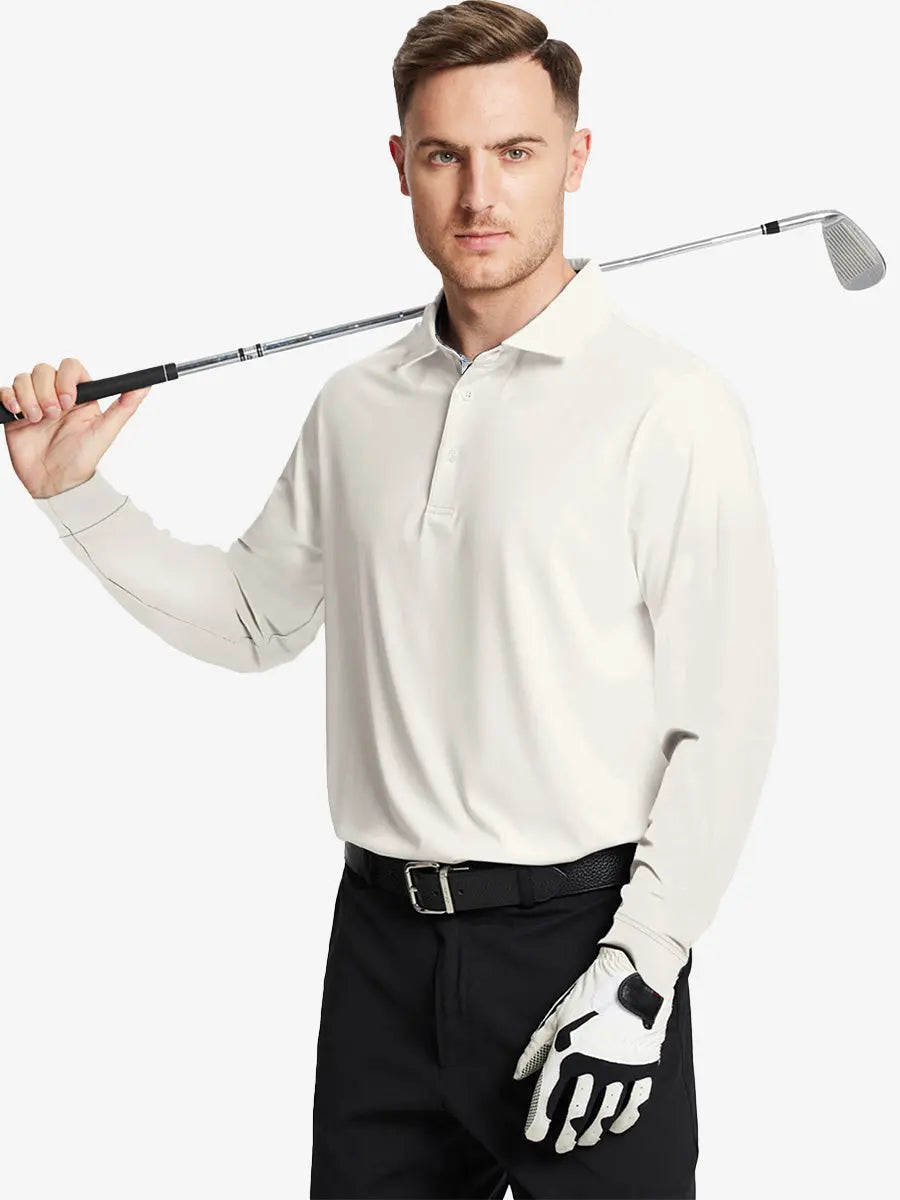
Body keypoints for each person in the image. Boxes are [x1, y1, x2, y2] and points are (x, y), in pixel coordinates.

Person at [2, 1, 778, 1196]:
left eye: (516, 152)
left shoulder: (670, 406)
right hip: (379, 953)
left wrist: (641, 972)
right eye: (445, 155)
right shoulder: (356, 406)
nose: (479, 195)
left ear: (575, 159)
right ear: (400, 165)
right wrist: (78, 499)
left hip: (583, 951)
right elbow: (258, 618)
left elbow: (723, 722)